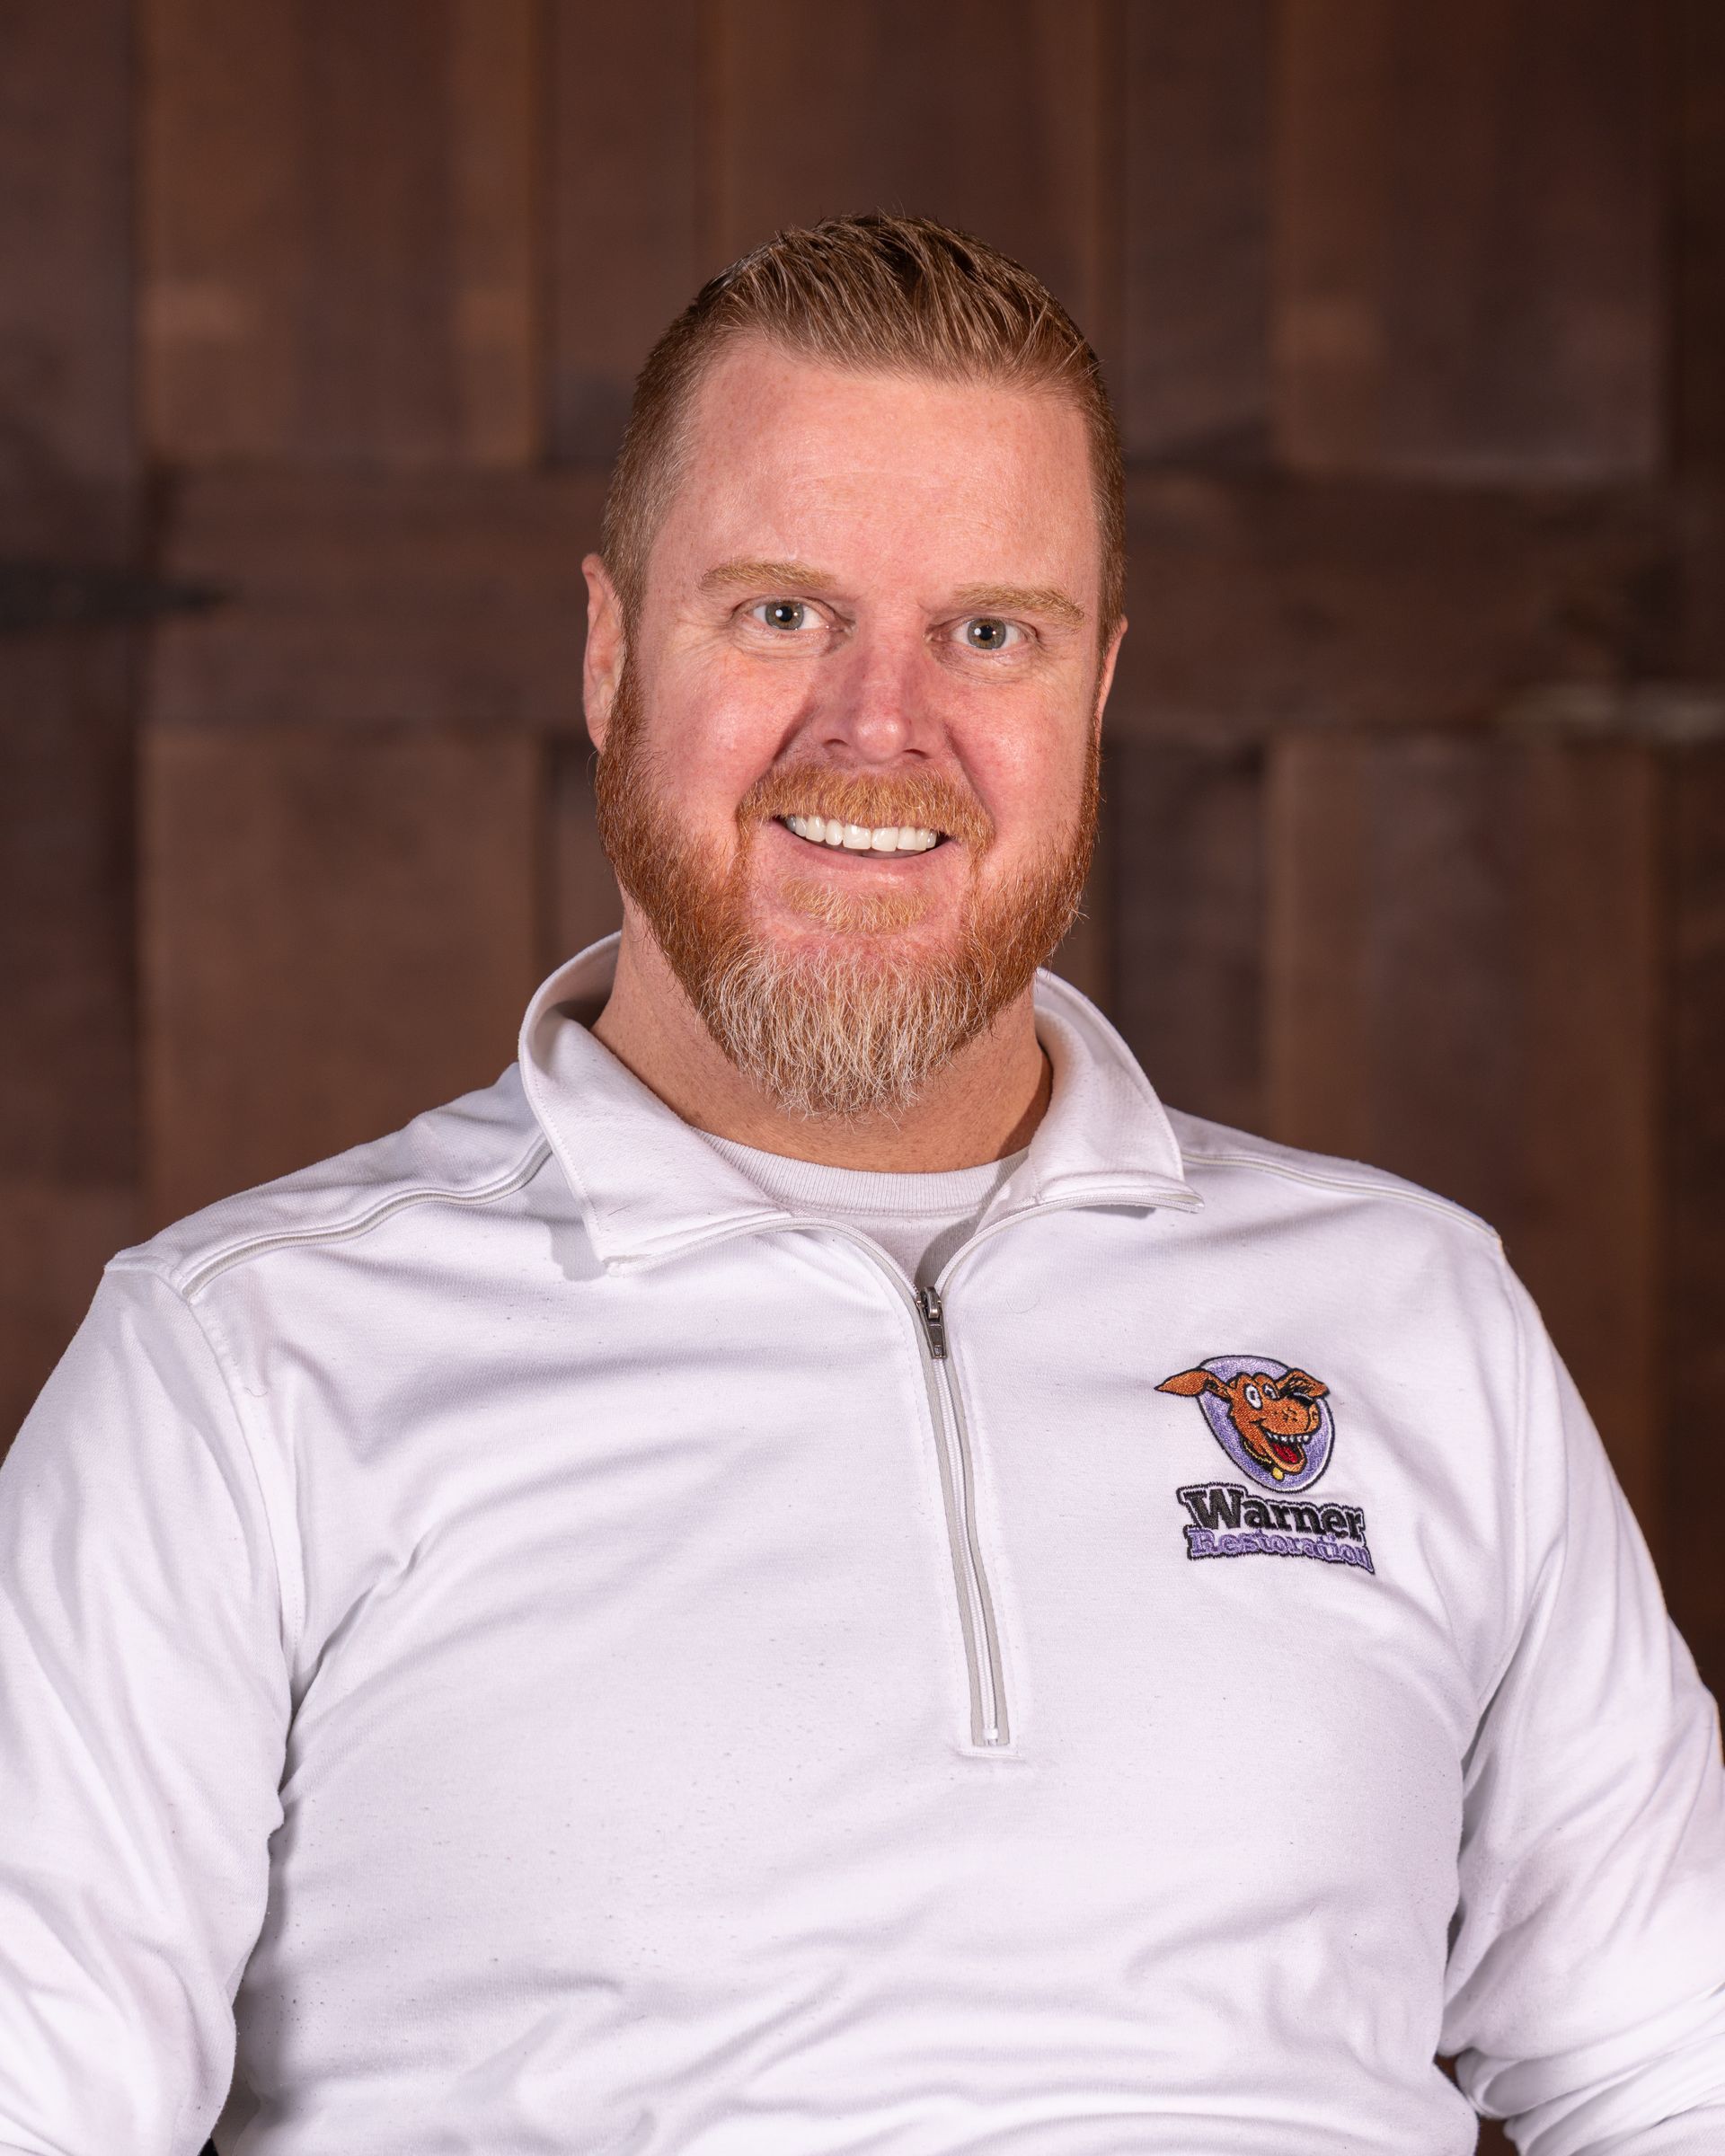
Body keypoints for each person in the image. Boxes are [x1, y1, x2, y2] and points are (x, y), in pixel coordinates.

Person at [2, 214, 1721, 2156]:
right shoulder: (238, 1370)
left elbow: (1671, 2068)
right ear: (607, 648)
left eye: (991, 632)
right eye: (781, 613)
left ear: (1097, 686)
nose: (880, 730)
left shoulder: (1418, 1317)